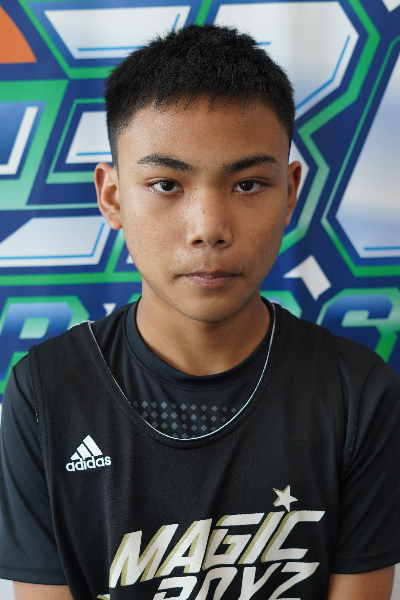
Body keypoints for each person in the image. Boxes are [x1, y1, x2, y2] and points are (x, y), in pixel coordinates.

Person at [0, 24, 399, 600]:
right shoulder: (45, 393)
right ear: (113, 197)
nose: (208, 228)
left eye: (248, 184)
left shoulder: (357, 393)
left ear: (290, 192)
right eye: (166, 183)